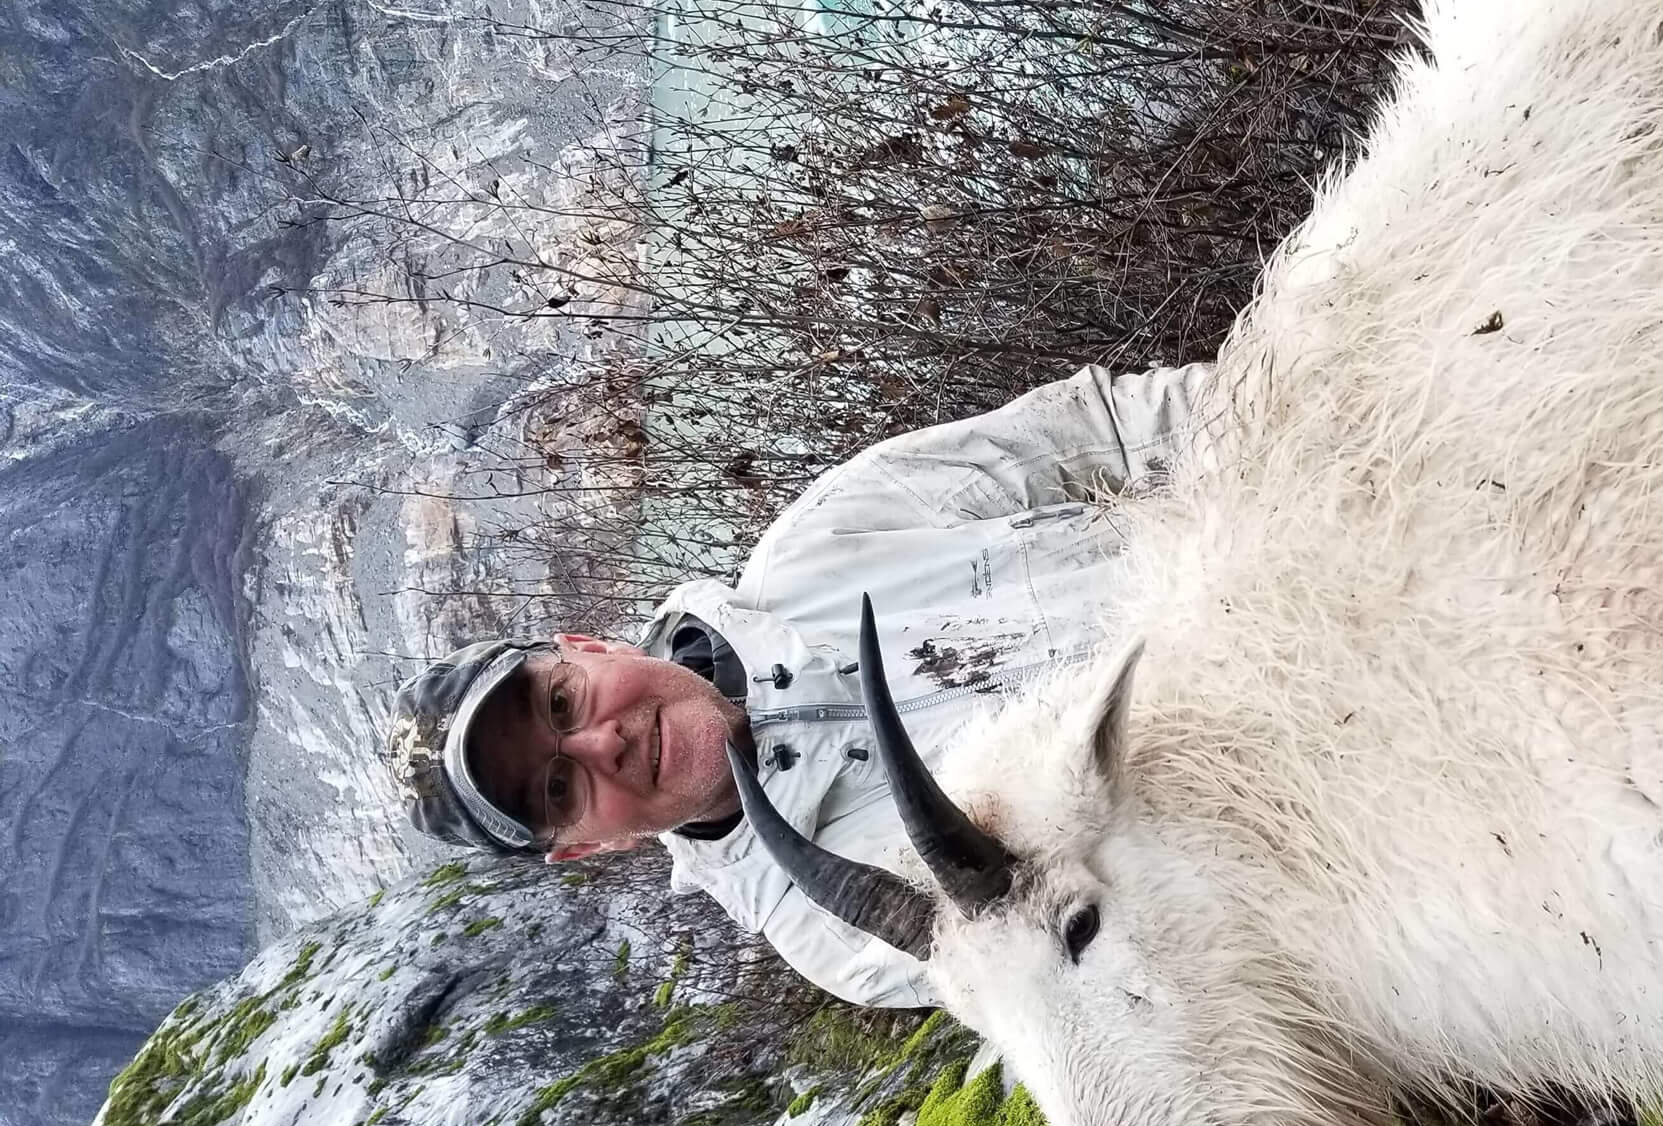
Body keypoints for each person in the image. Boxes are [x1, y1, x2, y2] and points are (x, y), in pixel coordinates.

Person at [387, 362, 1209, 1009]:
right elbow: (1128, 956)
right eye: (562, 786)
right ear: (589, 847)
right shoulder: (837, 931)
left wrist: (1315, 437)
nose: (604, 741)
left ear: (587, 646)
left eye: (562, 703)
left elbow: (1106, 431)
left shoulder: (825, 540)